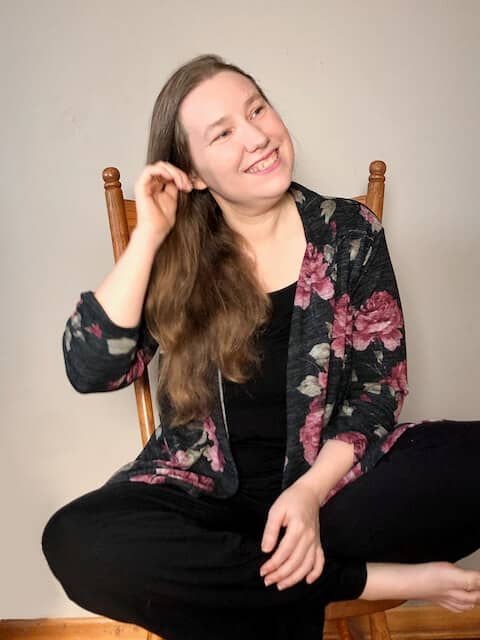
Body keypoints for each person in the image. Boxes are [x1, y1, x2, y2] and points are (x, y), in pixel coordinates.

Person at [41, 54, 480, 640]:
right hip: (202, 504)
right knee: (74, 541)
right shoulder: (176, 256)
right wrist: (148, 234)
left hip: (330, 498)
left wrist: (306, 495)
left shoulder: (349, 231)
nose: (256, 136)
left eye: (257, 109)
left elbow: (378, 393)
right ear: (191, 173)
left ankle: (245, 582)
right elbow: (91, 368)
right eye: (222, 133)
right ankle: (369, 581)